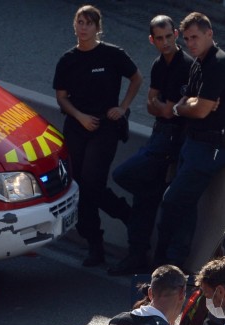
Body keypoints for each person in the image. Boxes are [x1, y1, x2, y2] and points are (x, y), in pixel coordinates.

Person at [53, 4, 142, 267]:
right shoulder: (67, 60)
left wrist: (123, 107)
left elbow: (137, 77)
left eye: (89, 23)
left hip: (105, 127)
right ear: (74, 25)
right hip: (77, 127)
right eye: (80, 22)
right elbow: (61, 97)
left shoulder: (112, 55)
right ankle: (95, 245)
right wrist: (79, 116)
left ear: (97, 27)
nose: (83, 28)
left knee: (92, 183)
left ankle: (126, 214)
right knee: (79, 186)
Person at [108, 15, 193, 276]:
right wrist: (165, 108)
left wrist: (166, 108)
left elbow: (177, 110)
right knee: (144, 196)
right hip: (160, 135)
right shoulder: (158, 64)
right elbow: (150, 105)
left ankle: (152, 259)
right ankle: (136, 256)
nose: (165, 42)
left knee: (126, 176)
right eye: (160, 38)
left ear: (176, 34)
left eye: (169, 36)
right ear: (152, 40)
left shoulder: (188, 66)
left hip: (174, 141)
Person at [153, 12, 225, 269]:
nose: (190, 43)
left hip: (211, 147)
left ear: (209, 34)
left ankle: (169, 264)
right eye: (188, 38)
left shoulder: (219, 64)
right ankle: (170, 266)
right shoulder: (198, 64)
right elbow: (190, 103)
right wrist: (189, 106)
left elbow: (198, 109)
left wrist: (186, 107)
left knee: (174, 201)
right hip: (193, 142)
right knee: (184, 203)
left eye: (196, 37)